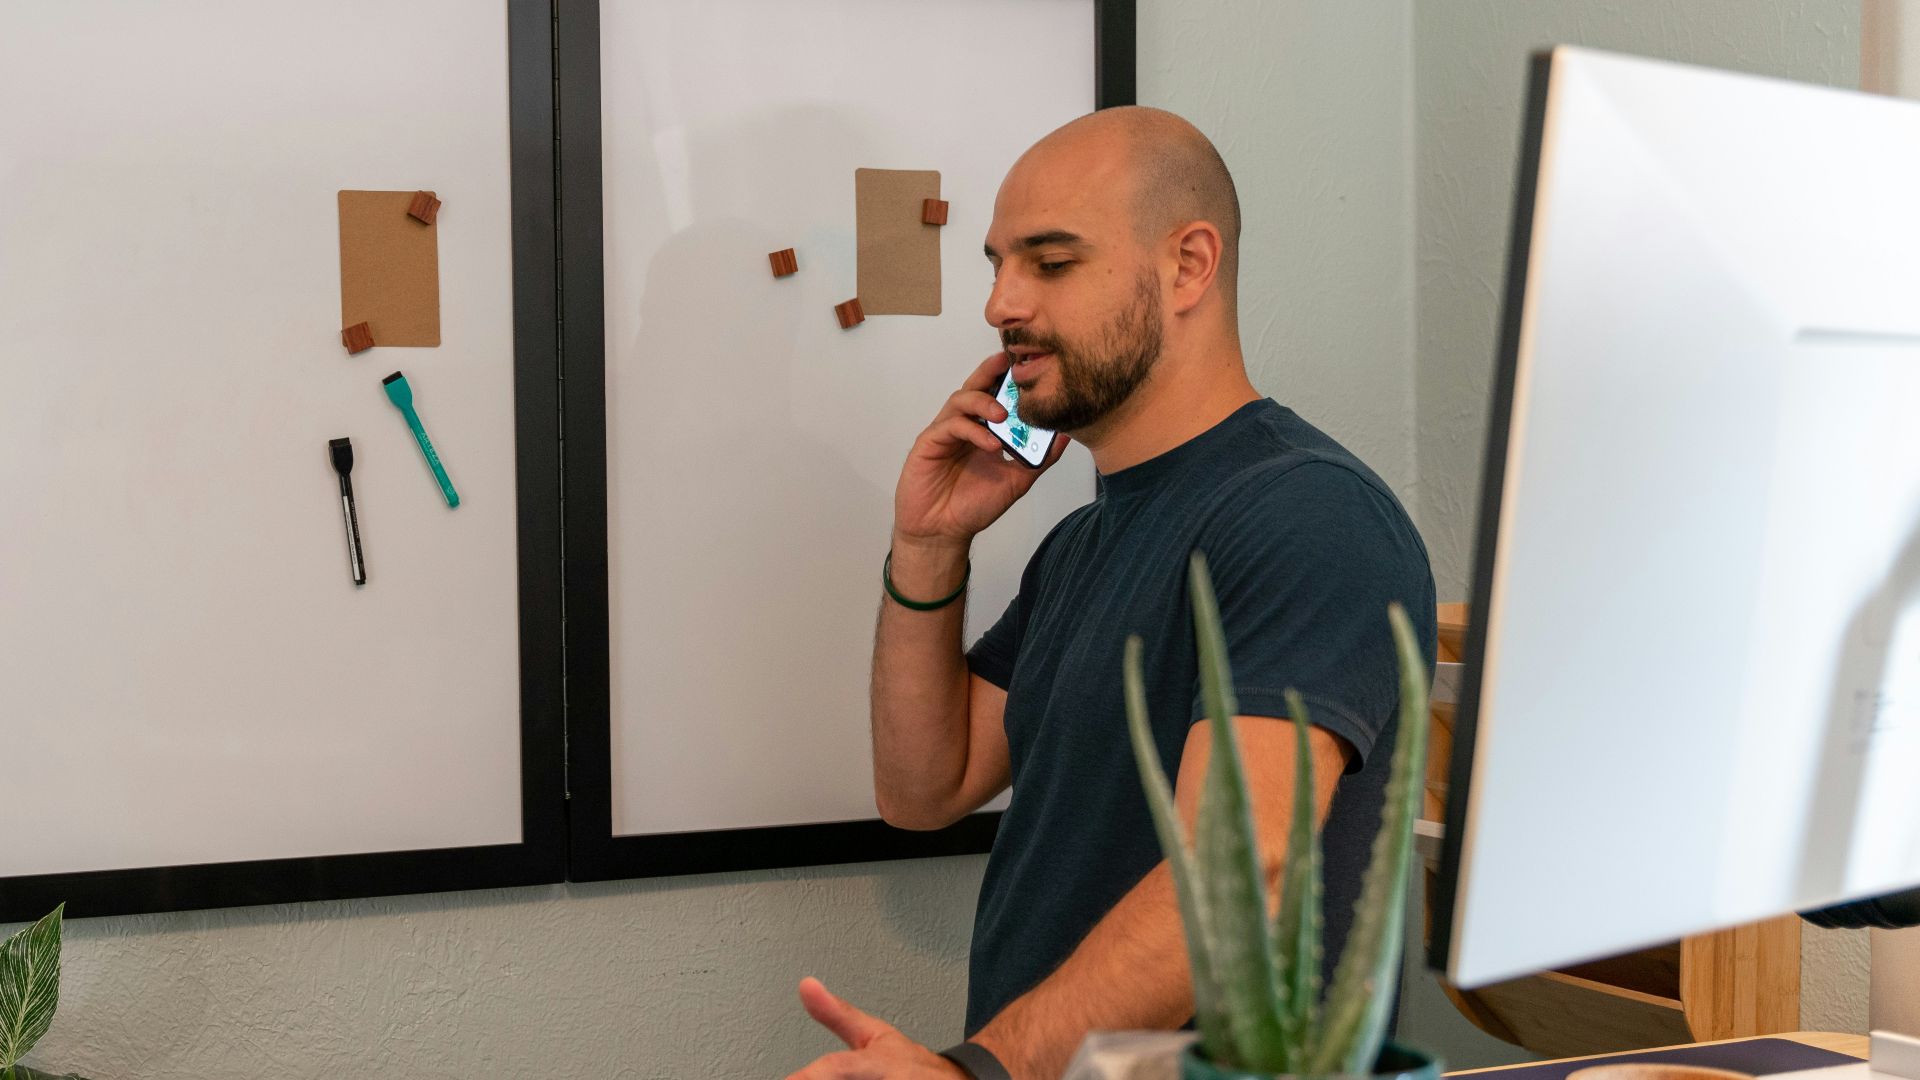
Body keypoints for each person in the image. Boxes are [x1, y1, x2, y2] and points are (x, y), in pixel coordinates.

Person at [787, 106, 1437, 1080]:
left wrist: (972, 1071)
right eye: (997, 264)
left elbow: (1236, 877)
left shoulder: (1306, 515)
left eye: (1050, 264)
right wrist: (928, 545)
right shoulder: (1085, 542)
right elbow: (926, 789)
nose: (1002, 303)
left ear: (1188, 266)